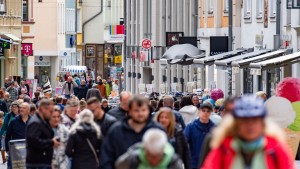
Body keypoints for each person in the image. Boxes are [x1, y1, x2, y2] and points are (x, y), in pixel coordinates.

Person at [201, 96, 294, 169]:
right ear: (235, 124)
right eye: (244, 120)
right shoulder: (223, 148)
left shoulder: (276, 149)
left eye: (255, 120)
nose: (250, 125)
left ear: (263, 123)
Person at [101, 95, 164, 169]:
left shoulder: (157, 130)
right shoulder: (117, 130)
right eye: (136, 110)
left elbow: (168, 155)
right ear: (130, 111)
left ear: (148, 111)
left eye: (143, 110)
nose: (140, 114)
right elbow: (106, 158)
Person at [116, 129, 184, 169]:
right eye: (150, 155)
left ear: (163, 151)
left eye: (157, 156)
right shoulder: (132, 159)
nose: (153, 161)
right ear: (145, 149)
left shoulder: (173, 163)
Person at [26, 99, 60, 169]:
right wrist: (51, 142)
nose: (51, 113)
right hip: (37, 164)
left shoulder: (42, 120)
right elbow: (33, 141)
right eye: (50, 111)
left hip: (42, 162)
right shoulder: (35, 122)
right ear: (42, 109)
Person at [184, 102, 215, 169]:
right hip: (194, 162)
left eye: (208, 111)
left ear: (210, 113)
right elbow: (184, 141)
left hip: (209, 163)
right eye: (203, 111)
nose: (205, 113)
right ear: (199, 112)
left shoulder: (214, 128)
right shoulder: (191, 127)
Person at [5, 102, 31, 169]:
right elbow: (8, 135)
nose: (21, 109)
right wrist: (8, 149)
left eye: (24, 108)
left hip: (29, 152)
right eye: (20, 108)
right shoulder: (14, 121)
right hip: (15, 152)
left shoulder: (33, 121)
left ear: (28, 110)